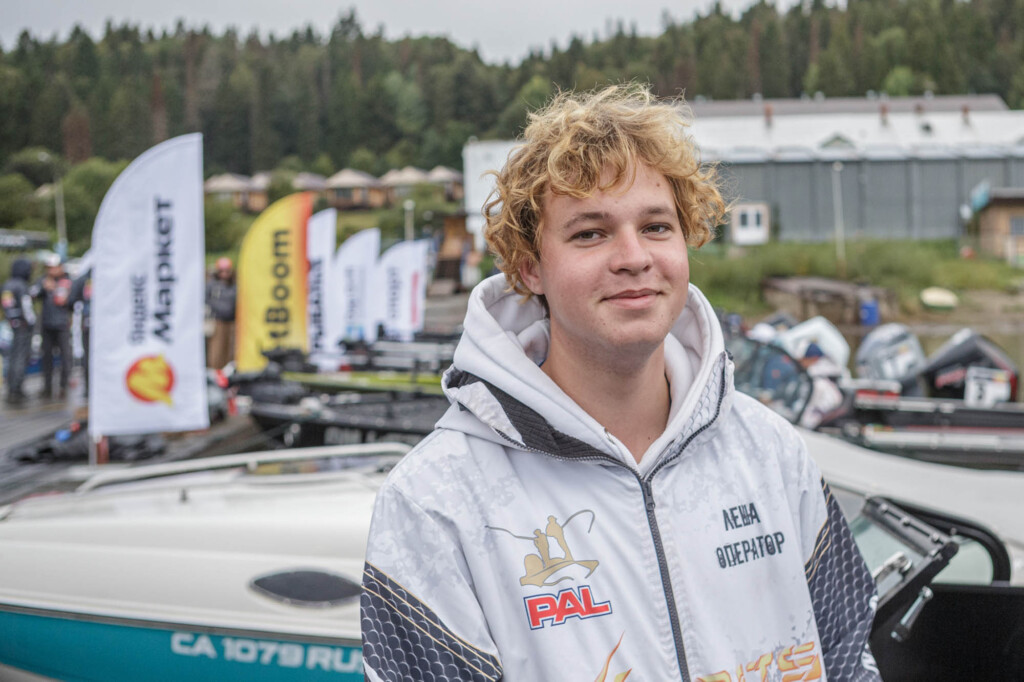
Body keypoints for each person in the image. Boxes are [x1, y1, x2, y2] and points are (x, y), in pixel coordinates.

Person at [361, 85, 879, 681]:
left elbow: (848, 657)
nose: (633, 257)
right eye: (590, 233)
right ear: (530, 268)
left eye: (656, 226)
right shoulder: (436, 503)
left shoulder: (770, 452)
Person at [30, 254, 72, 400]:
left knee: (66, 356)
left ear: (60, 267)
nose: (51, 270)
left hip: (62, 325)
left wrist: (59, 293)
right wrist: (43, 287)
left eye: (54, 267)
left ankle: (63, 386)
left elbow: (73, 300)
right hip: (47, 324)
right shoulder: (43, 280)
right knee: (46, 356)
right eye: (49, 267)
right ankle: (47, 387)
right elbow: (32, 294)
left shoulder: (68, 281)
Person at [1, 258, 36, 404]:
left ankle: (11, 387)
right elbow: (27, 308)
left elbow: (6, 306)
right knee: (20, 357)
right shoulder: (22, 286)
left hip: (11, 325)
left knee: (12, 357)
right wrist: (31, 323)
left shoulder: (7, 285)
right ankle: (16, 389)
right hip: (22, 326)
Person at [205, 257, 236, 369]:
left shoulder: (234, 285)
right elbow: (206, 299)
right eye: (222, 271)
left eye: (227, 271)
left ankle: (229, 370)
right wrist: (215, 308)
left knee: (231, 349)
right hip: (217, 321)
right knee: (217, 349)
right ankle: (215, 370)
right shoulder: (212, 285)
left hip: (232, 322)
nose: (225, 274)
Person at [69, 267, 93, 398]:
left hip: (88, 322)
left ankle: (89, 389)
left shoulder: (83, 279)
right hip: (105, 324)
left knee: (88, 356)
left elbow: (71, 300)